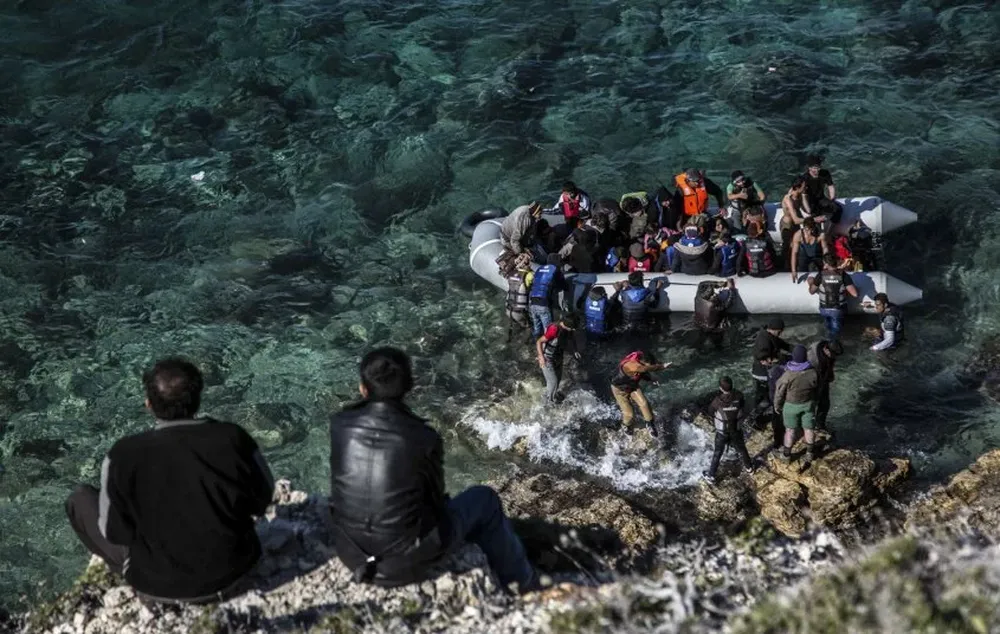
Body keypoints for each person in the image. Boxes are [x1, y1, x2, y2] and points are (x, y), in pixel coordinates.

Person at [65, 358, 275, 603]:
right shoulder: (234, 438)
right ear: (198, 398)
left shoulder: (122, 455)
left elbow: (113, 532)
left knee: (79, 499)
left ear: (149, 404)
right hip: (237, 569)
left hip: (157, 586)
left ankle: (132, 578)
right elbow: (263, 498)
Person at [329, 348, 538, 592]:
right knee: (485, 499)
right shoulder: (423, 437)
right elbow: (435, 504)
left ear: (363, 388)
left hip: (350, 552)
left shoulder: (339, 424)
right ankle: (525, 584)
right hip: (402, 564)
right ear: (409, 386)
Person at [701, 375, 754, 485]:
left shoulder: (717, 401)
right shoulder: (739, 396)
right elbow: (743, 406)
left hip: (722, 433)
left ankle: (711, 475)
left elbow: (710, 412)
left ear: (720, 388)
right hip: (736, 431)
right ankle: (750, 468)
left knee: (717, 453)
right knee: (742, 449)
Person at [773, 345, 820, 463]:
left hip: (791, 406)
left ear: (793, 357)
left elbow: (779, 392)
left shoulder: (788, 374)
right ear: (805, 357)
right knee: (809, 429)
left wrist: (777, 406)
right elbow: (817, 389)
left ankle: (786, 456)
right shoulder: (813, 372)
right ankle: (809, 454)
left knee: (790, 431)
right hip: (808, 404)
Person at [751, 318, 792, 449]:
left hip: (761, 373)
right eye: (780, 332)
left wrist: (794, 350)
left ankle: (757, 417)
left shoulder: (767, 335)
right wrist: (778, 359)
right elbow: (760, 355)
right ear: (775, 330)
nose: (780, 334)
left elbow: (782, 344)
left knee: (764, 397)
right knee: (765, 399)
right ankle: (756, 418)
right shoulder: (764, 340)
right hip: (761, 374)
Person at [610, 350, 672, 436]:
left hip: (632, 386)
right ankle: (626, 426)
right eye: (650, 365)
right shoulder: (632, 365)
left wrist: (650, 379)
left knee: (644, 403)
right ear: (644, 362)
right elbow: (643, 369)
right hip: (620, 390)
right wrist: (662, 366)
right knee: (630, 415)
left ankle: (650, 424)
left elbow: (641, 373)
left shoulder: (640, 362)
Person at [808, 254, 858, 342]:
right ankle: (833, 345)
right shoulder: (844, 275)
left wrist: (810, 283)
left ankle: (827, 342)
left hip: (824, 309)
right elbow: (855, 294)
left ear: (826, 264)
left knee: (828, 327)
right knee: (835, 333)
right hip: (838, 310)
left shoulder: (821, 275)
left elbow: (811, 291)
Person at [536, 314, 581, 403]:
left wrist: (575, 350)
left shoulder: (569, 329)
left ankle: (553, 395)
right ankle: (547, 402)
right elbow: (539, 341)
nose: (574, 330)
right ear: (566, 325)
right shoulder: (554, 329)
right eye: (572, 328)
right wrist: (541, 357)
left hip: (558, 357)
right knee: (553, 382)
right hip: (547, 359)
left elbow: (572, 338)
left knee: (558, 379)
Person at [527, 253, 565, 338]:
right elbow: (563, 285)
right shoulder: (555, 270)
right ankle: (546, 349)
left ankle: (534, 343)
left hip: (532, 304)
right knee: (548, 331)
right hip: (543, 304)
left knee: (537, 328)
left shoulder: (539, 269)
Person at [694, 279, 737, 349]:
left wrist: (716, 284)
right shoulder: (714, 306)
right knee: (718, 345)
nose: (715, 294)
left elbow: (701, 284)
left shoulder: (697, 298)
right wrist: (731, 288)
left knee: (700, 341)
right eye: (713, 294)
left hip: (701, 325)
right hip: (714, 329)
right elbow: (728, 303)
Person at [801, 155, 842, 228]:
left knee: (837, 209)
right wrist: (809, 211)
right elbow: (804, 197)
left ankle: (832, 228)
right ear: (809, 168)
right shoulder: (805, 178)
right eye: (815, 168)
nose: (817, 170)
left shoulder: (825, 173)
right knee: (816, 216)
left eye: (818, 168)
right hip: (810, 201)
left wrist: (832, 200)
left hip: (821, 199)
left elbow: (831, 186)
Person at [807, 340, 838, 433]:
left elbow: (830, 363)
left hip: (824, 379)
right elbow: (810, 374)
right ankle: (809, 426)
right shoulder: (813, 358)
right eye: (833, 354)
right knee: (811, 403)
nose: (834, 356)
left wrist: (830, 375)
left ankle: (820, 424)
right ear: (826, 349)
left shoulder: (828, 348)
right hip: (813, 381)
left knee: (825, 404)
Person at [504, 253, 534, 341]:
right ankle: (526, 344)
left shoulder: (511, 274)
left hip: (508, 309)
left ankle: (509, 339)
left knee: (512, 324)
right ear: (528, 264)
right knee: (529, 326)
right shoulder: (529, 275)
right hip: (519, 312)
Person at [780, 177, 809, 266]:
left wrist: (804, 196)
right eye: (804, 186)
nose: (806, 188)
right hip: (787, 225)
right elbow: (796, 220)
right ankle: (785, 265)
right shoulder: (788, 199)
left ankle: (795, 263)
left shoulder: (799, 194)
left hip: (795, 223)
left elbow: (808, 210)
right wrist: (813, 220)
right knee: (787, 247)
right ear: (797, 188)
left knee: (796, 244)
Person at [789, 217, 829, 283]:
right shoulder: (798, 235)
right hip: (804, 255)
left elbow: (825, 249)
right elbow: (794, 253)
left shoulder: (820, 234)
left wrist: (826, 263)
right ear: (804, 227)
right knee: (801, 269)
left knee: (823, 270)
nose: (809, 232)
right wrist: (793, 270)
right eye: (807, 230)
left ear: (814, 227)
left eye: (811, 230)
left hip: (817, 254)